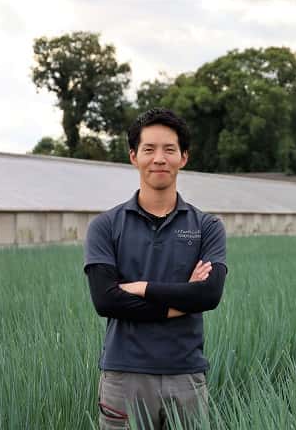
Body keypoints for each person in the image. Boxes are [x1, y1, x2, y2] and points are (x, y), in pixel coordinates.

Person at [83, 108, 228, 429]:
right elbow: (106, 301)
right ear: (133, 156)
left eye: (169, 150)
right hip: (125, 376)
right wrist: (180, 304)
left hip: (186, 374)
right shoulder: (105, 226)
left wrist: (142, 287)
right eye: (149, 149)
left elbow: (208, 295)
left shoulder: (207, 226)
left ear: (184, 157)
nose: (159, 158)